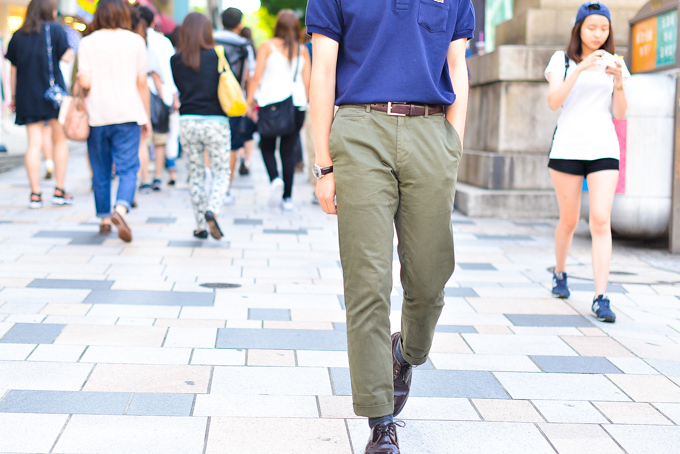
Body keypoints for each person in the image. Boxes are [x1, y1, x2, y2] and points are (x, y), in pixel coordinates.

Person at [307, 0, 474, 451]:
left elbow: (457, 65)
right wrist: (324, 165)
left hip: (430, 131)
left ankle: (407, 353)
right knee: (367, 281)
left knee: (430, 274)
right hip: (360, 130)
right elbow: (322, 72)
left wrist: (452, 145)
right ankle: (380, 421)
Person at [545, 1, 628, 323]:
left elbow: (620, 112)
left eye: (604, 28)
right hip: (567, 147)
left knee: (600, 220)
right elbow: (554, 101)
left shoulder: (616, 62)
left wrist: (619, 80)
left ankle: (601, 296)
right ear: (579, 28)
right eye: (592, 27)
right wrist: (580, 68)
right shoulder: (561, 60)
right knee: (569, 220)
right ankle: (560, 272)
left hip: (604, 147)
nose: (598, 33)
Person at [77, 0, 151, 241]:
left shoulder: (87, 42)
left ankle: (104, 219)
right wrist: (147, 116)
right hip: (128, 113)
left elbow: (85, 83)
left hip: (97, 114)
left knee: (101, 170)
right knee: (129, 168)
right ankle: (120, 209)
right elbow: (142, 83)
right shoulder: (136, 41)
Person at [6, 0, 74, 209]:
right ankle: (59, 189)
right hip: (53, 95)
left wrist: (14, 97)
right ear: (49, 10)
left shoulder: (18, 34)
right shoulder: (55, 29)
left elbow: (13, 70)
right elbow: (68, 57)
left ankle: (35, 193)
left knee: (33, 144)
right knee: (59, 140)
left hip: (27, 95)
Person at [171, 12, 230, 240]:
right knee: (221, 171)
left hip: (187, 122)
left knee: (195, 174)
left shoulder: (175, 60)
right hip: (216, 122)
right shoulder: (217, 55)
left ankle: (200, 225)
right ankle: (212, 209)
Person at [246, 9, 310, 211]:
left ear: (278, 26)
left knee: (266, 146)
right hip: (296, 105)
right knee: (288, 151)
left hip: (270, 104)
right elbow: (307, 83)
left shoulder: (267, 46)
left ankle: (275, 178)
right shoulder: (302, 51)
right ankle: (288, 198)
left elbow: (256, 77)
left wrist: (249, 101)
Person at [213, 7, 256, 204]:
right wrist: (249, 101)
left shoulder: (210, 39)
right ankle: (226, 190)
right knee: (232, 145)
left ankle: (211, 184)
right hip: (234, 101)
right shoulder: (243, 45)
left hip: (211, 98)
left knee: (210, 144)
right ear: (239, 24)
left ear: (222, 21)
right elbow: (249, 75)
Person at [138, 5, 179, 191]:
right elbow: (168, 73)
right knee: (160, 140)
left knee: (143, 142)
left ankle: (145, 178)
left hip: (138, 98)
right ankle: (157, 178)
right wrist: (172, 97)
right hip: (162, 96)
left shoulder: (135, 40)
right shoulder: (163, 41)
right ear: (153, 21)